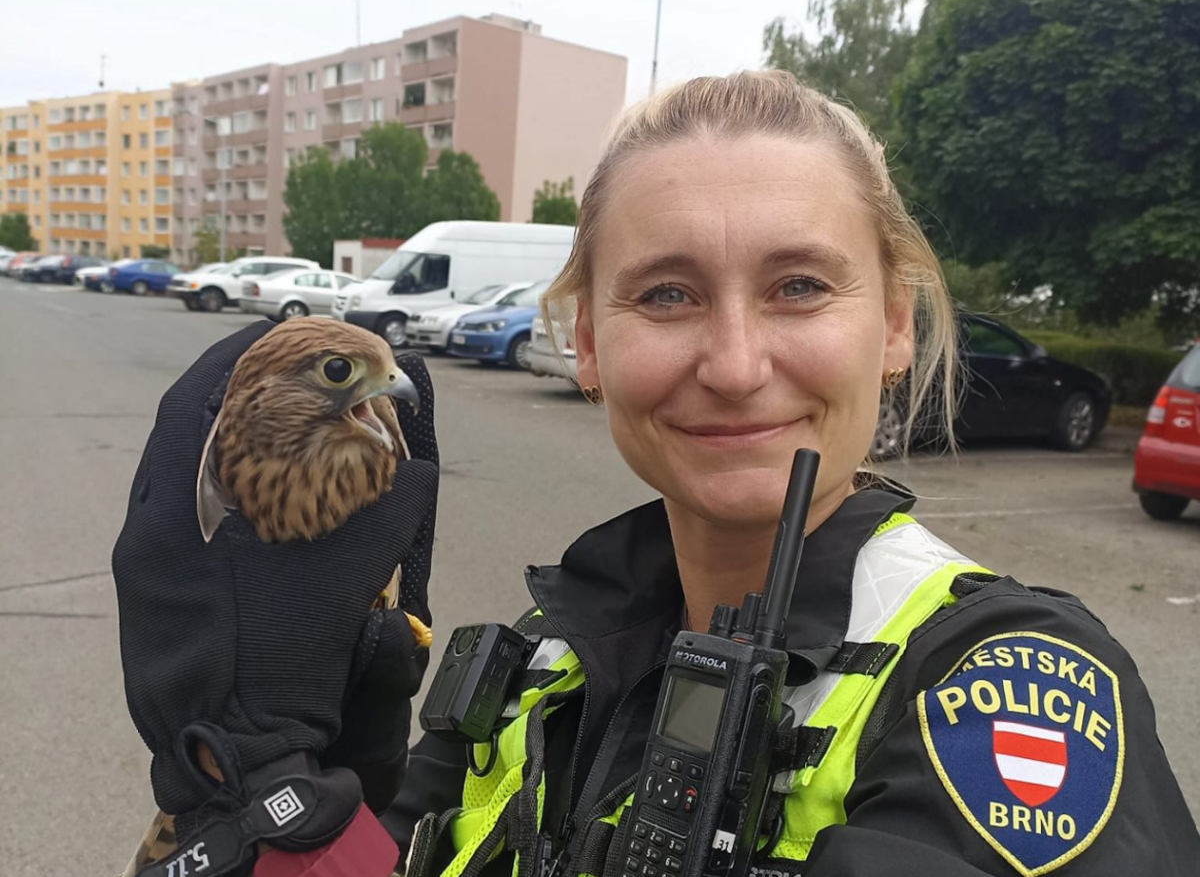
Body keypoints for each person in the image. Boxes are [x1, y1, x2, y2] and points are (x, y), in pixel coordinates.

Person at [114, 70, 1200, 877]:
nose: (733, 365)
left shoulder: (1010, 689)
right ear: (588, 341)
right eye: (669, 295)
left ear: (896, 326)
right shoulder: (536, 669)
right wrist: (267, 804)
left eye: (801, 286)